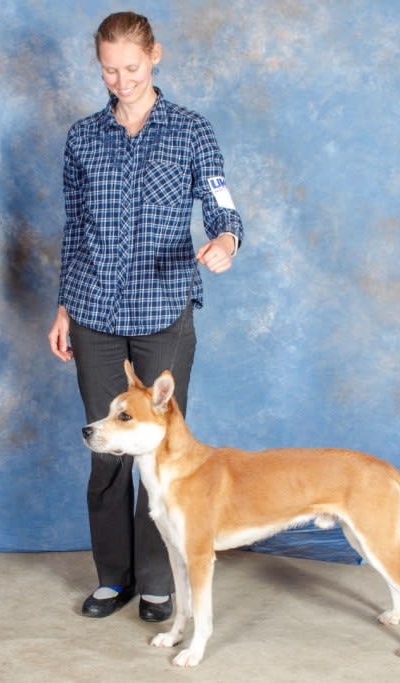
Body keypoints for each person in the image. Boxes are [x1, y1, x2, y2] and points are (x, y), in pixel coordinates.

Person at [47, 11, 244, 622]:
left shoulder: (192, 131)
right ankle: (113, 576)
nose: (121, 80)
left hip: (165, 309)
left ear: (154, 56)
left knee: (161, 450)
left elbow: (223, 208)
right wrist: (62, 306)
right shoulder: (82, 138)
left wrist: (227, 242)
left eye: (131, 67)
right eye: (109, 69)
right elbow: (73, 229)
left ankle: (158, 582)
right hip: (93, 311)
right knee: (107, 447)